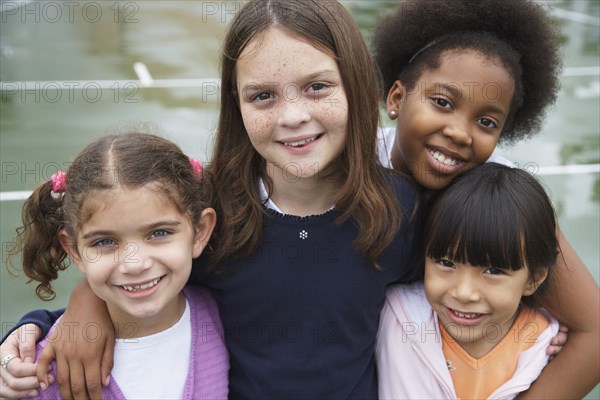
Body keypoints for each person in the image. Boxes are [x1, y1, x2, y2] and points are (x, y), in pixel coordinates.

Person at [1, 1, 423, 399]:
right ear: (235, 103)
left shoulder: (402, 209)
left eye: (317, 87)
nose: (292, 116)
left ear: (356, 85)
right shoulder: (210, 212)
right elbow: (134, 266)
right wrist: (71, 311)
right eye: (263, 96)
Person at [371, 0, 599, 397]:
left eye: (487, 122)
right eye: (442, 102)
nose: (460, 132)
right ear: (395, 97)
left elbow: (593, 329)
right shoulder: (350, 168)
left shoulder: (499, 196)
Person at [0, 132, 228, 399]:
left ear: (200, 231)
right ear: (74, 250)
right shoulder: (41, 372)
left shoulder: (224, 313)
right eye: (105, 241)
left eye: (159, 233)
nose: (134, 264)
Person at [377, 163, 561, 399]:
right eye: (446, 263)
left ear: (533, 280)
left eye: (493, 270)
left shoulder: (545, 346)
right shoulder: (392, 314)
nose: (464, 293)